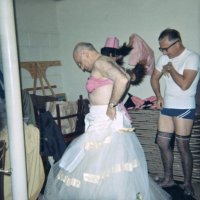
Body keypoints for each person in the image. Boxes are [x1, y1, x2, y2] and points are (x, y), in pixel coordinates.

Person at [43, 42, 171, 200]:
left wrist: (111, 104)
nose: (82, 67)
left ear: (85, 54)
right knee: (105, 164)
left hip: (104, 120)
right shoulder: (107, 61)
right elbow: (128, 77)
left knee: (98, 162)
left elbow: (123, 79)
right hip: (101, 118)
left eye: (79, 62)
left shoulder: (100, 62)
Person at [151, 28, 200, 197]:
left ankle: (187, 184)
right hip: (167, 107)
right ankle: (169, 178)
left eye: (166, 48)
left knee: (182, 146)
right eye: (161, 49)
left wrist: (171, 70)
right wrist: (158, 96)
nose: (164, 52)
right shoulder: (164, 58)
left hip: (184, 107)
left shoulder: (192, 57)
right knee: (162, 143)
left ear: (177, 43)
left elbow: (185, 84)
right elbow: (154, 78)